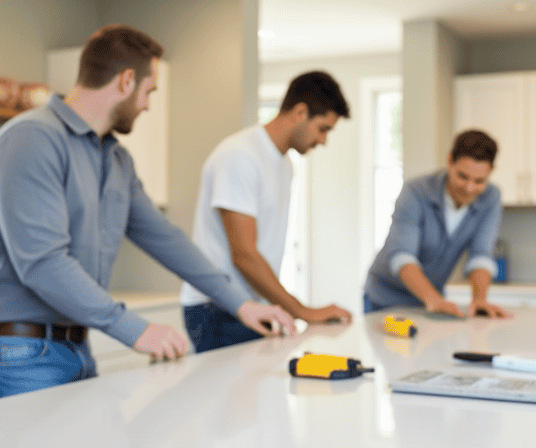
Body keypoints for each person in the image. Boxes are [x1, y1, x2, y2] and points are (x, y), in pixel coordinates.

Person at [0, 24, 295, 403]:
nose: (148, 105)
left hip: (74, 348)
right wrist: (135, 329)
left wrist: (240, 303)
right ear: (126, 81)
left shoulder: (115, 158)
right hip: (14, 356)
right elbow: (43, 261)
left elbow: (163, 238)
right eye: (149, 92)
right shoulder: (32, 140)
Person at [181, 71, 353, 352]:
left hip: (253, 306)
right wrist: (303, 311)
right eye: (323, 129)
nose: (323, 141)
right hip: (217, 309)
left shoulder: (284, 165)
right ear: (300, 112)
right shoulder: (240, 156)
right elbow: (244, 255)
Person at [363, 129, 512, 319]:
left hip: (431, 301)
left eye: (479, 181)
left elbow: (481, 255)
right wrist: (433, 299)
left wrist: (479, 300)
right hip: (384, 299)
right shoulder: (416, 191)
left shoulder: (491, 197)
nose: (469, 188)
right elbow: (402, 255)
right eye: (463, 176)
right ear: (449, 161)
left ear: (491, 172)